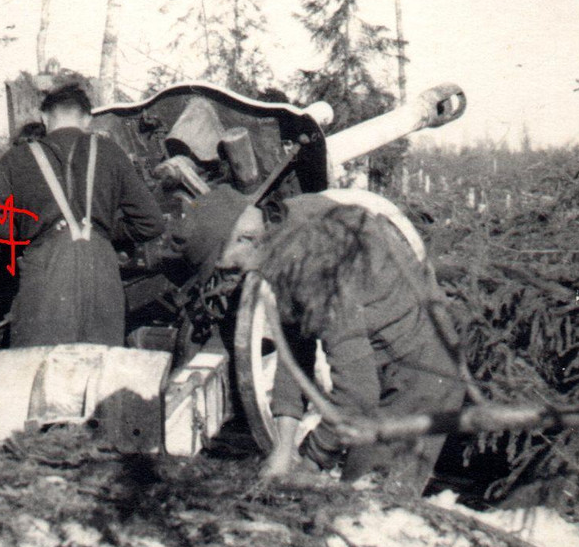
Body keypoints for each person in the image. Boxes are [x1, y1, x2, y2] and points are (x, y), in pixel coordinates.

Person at [181, 186, 468, 496]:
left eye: (231, 265)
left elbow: (358, 394)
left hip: (421, 380)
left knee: (369, 510)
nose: (236, 274)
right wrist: (284, 446)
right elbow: (294, 348)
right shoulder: (283, 227)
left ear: (245, 238)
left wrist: (311, 460)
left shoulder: (314, 264)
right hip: (388, 367)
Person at [0, 82, 164, 348]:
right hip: (102, 277)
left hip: (44, 277)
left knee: (40, 376)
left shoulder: (17, 159)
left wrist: (25, 234)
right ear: (88, 120)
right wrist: (105, 231)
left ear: (44, 118)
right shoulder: (111, 152)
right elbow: (152, 223)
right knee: (100, 376)